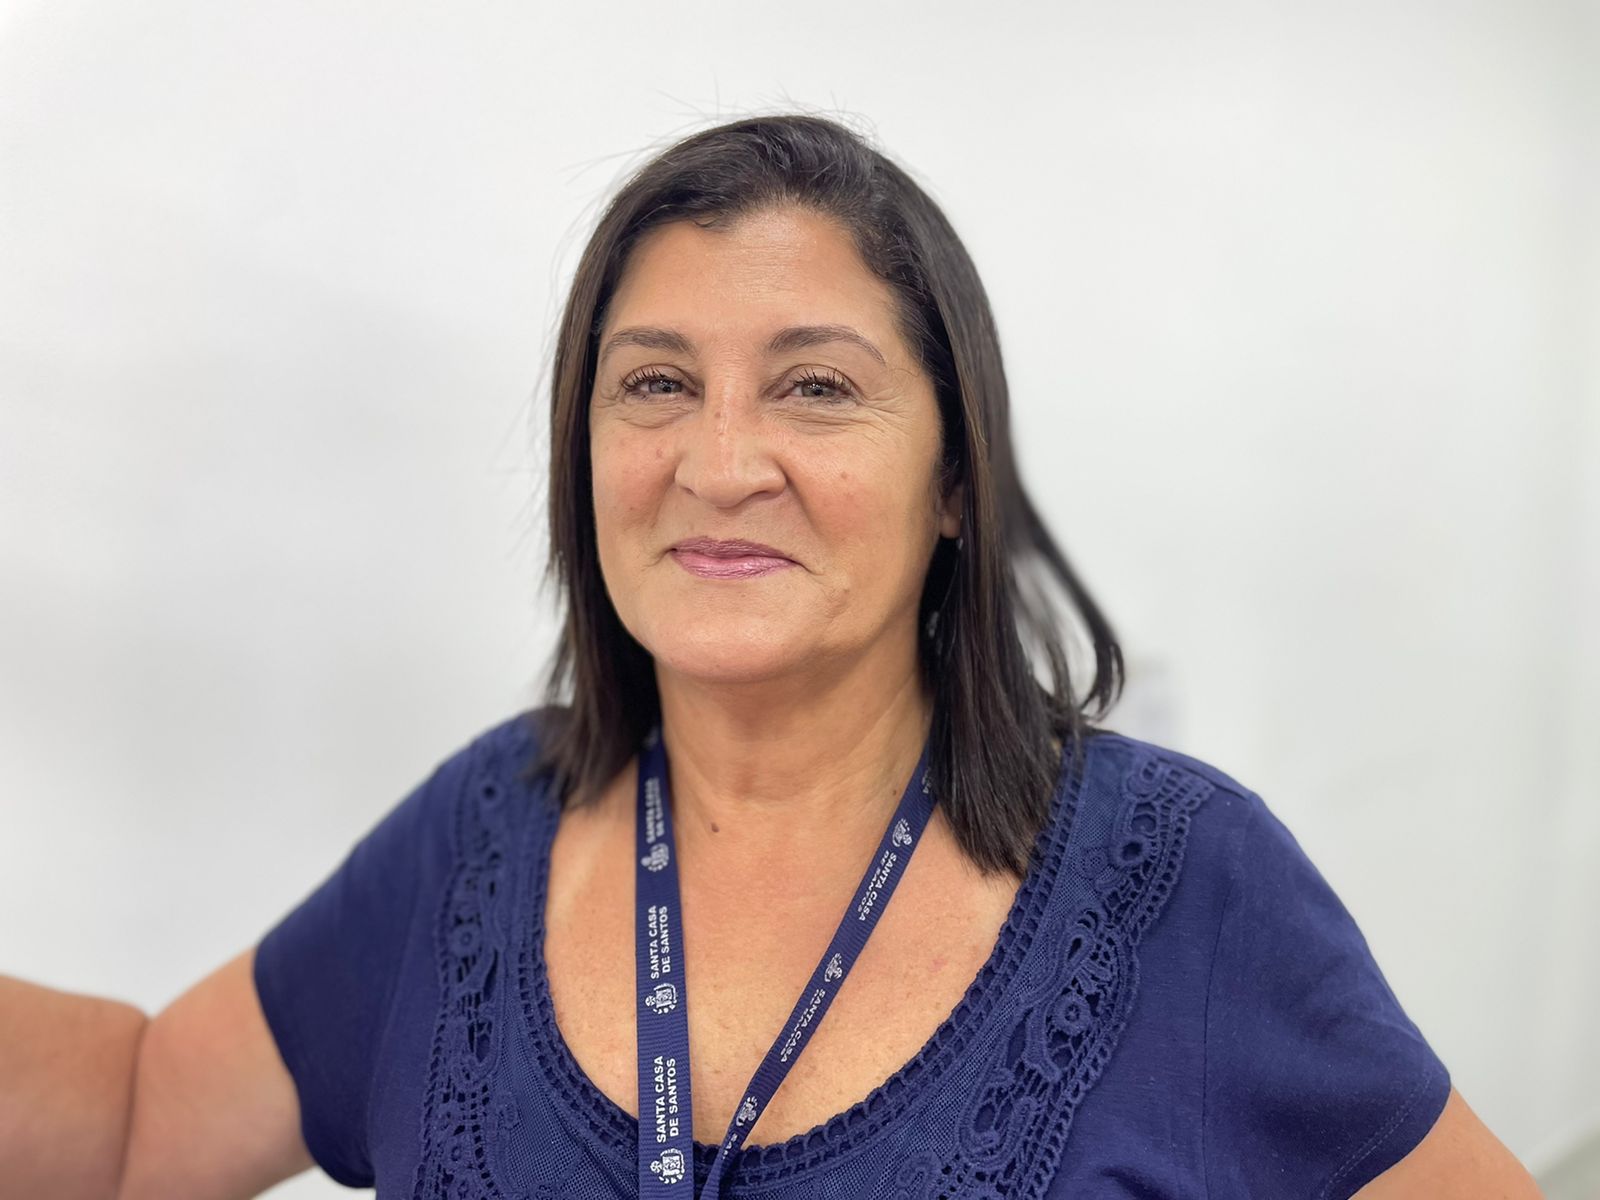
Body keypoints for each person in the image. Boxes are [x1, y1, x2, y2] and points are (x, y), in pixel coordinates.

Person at [2, 114, 1542, 1200]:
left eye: (815, 387)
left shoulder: (1182, 879)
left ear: (956, 478)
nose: (721, 462)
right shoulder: (483, 835)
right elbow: (136, 1120)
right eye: (655, 384)